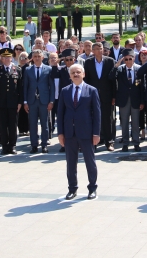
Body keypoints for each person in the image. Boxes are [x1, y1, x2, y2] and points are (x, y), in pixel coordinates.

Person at [57, 64, 101, 201]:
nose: (75, 74)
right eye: (73, 73)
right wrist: (60, 133)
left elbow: (97, 113)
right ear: (70, 76)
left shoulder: (92, 90)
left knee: (90, 161)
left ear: (83, 74)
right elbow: (60, 113)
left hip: (87, 132)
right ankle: (72, 189)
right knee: (70, 162)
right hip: (69, 133)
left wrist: (96, 133)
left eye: (78, 72)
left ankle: (92, 188)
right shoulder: (64, 91)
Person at [83, 42, 116, 151]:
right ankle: (94, 143)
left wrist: (114, 96)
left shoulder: (110, 61)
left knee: (107, 119)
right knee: (93, 118)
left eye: (101, 48)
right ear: (93, 51)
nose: (99, 50)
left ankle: (109, 142)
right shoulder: (88, 63)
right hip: (93, 95)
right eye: (96, 48)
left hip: (107, 95)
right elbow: (86, 80)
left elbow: (113, 80)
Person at [110, 48, 143, 152]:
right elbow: (111, 78)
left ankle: (136, 143)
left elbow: (143, 86)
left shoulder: (139, 68)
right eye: (126, 59)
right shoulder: (120, 69)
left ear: (134, 59)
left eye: (130, 59)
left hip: (136, 100)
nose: (128, 61)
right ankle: (125, 143)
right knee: (124, 123)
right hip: (123, 100)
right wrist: (116, 65)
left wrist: (142, 101)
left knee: (135, 122)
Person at [23, 49, 54, 153]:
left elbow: (52, 87)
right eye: (35, 56)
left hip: (44, 101)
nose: (36, 58)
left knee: (45, 124)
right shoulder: (28, 70)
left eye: (38, 56)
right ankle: (34, 145)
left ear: (42, 57)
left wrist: (51, 101)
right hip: (32, 101)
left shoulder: (48, 69)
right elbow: (25, 87)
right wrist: (25, 102)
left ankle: (44, 144)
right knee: (32, 124)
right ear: (32, 58)